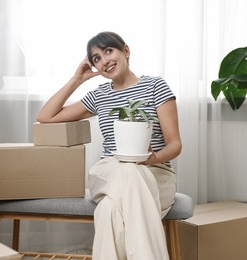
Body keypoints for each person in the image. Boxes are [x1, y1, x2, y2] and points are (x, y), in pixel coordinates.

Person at [37, 31, 181, 260]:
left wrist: (151, 159)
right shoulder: (99, 96)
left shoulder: (156, 86)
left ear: (125, 50)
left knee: (108, 211)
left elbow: (174, 144)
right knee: (127, 169)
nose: (104, 61)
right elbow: (45, 116)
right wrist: (77, 80)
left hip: (155, 172)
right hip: (109, 171)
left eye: (108, 51)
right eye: (96, 59)